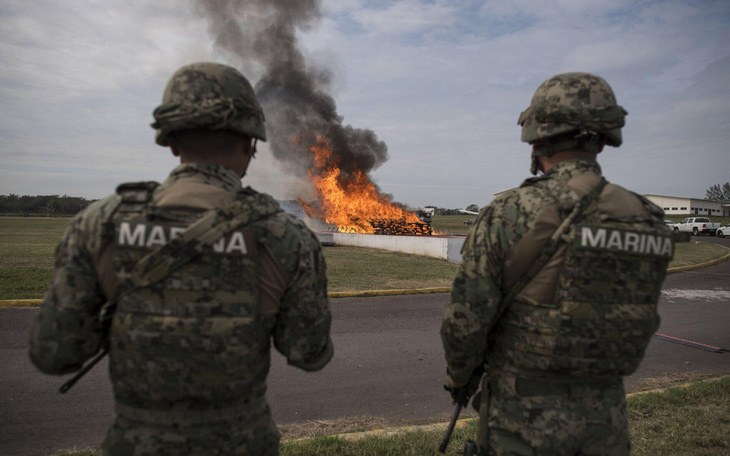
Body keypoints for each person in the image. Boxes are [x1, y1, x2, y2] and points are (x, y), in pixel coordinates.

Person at [29, 62, 334, 456]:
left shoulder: (100, 224)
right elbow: (310, 354)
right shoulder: (285, 236)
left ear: (172, 142)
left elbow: (54, 354)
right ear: (249, 143)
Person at [441, 72, 674, 455]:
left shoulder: (511, 212)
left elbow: (465, 321)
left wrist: (459, 378)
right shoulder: (646, 218)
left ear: (537, 134)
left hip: (521, 424)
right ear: (604, 135)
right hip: (607, 421)